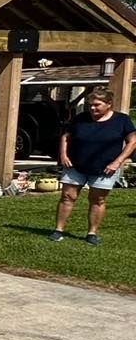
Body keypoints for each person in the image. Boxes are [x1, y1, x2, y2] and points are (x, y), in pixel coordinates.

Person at [49, 86, 136, 245]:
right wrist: (63, 155)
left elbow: (133, 141)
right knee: (67, 197)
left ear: (109, 104)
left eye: (97, 105)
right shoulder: (80, 118)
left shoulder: (122, 120)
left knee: (97, 200)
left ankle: (92, 233)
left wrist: (118, 162)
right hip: (75, 165)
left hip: (105, 168)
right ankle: (58, 230)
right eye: (90, 105)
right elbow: (66, 136)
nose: (92, 108)